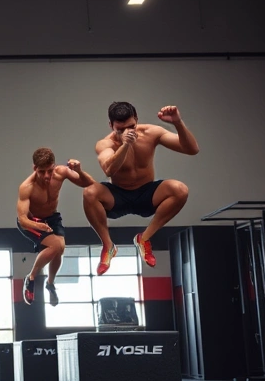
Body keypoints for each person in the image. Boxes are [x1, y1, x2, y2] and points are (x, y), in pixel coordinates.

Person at [82, 102, 198, 274]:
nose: (127, 132)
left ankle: (144, 239)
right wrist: (125, 144)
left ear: (136, 119)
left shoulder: (152, 133)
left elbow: (192, 149)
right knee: (89, 193)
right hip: (118, 196)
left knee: (180, 189)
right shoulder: (105, 144)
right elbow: (109, 170)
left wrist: (177, 122)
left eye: (131, 127)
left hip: (147, 194)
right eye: (120, 129)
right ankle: (108, 245)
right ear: (111, 125)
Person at [16, 147, 96, 306]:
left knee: (60, 249)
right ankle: (31, 277)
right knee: (56, 246)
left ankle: (50, 284)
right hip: (31, 221)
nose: (47, 176)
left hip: (51, 217)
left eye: (50, 170)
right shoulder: (27, 187)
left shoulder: (61, 173)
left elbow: (90, 184)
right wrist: (38, 225)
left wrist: (79, 171)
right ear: (35, 168)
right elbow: (22, 219)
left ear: (54, 166)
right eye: (42, 172)